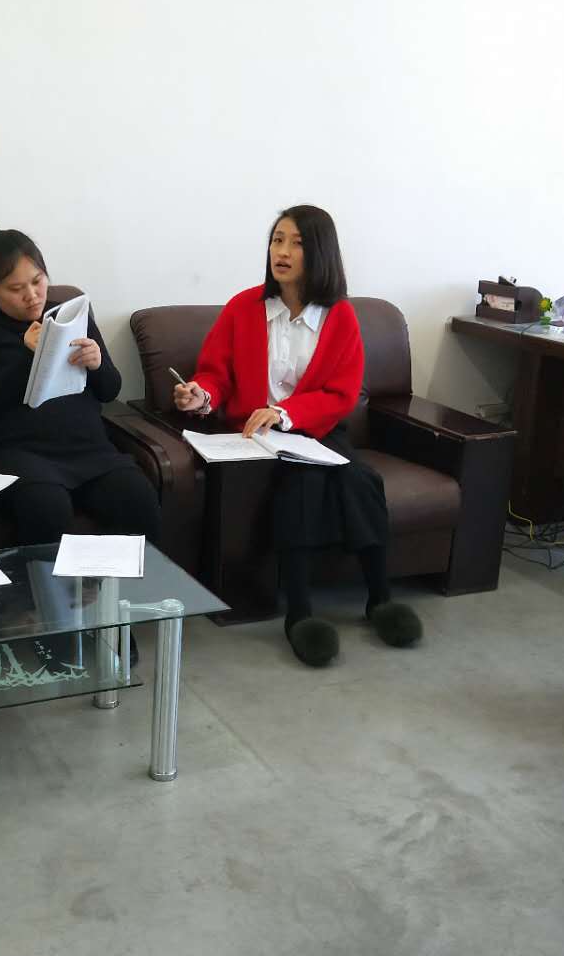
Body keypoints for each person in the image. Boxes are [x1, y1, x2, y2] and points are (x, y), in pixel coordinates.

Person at [173, 205, 422, 665]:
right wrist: (199, 395)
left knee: (361, 480)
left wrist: (286, 413)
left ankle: (380, 599)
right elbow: (214, 374)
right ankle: (300, 614)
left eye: (296, 243)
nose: (282, 252)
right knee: (302, 485)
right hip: (254, 436)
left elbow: (341, 394)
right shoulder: (243, 307)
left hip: (316, 430)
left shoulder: (340, 316)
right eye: (277, 240)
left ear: (320, 253)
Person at [0, 225, 161, 546]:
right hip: (19, 454)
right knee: (46, 507)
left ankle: (132, 582)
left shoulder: (71, 317)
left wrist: (97, 363)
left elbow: (110, 390)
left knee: (138, 499)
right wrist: (27, 357)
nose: (32, 295)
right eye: (16, 288)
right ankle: (41, 583)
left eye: (37, 281)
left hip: (89, 451)